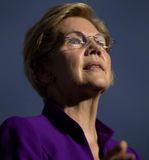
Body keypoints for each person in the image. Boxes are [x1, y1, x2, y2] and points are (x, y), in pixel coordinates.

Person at [0, 2, 141, 160]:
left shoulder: (127, 155)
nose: (95, 47)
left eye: (101, 42)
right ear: (43, 71)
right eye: (75, 41)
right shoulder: (25, 134)